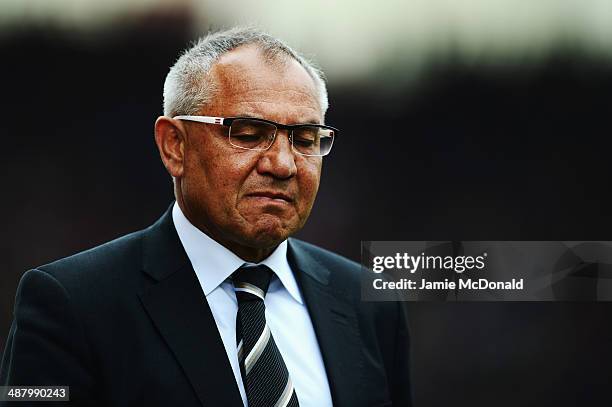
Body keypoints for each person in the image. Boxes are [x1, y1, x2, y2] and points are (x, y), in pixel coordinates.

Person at [0, 27, 411, 406]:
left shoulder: (370, 303)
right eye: (248, 134)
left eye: (305, 139)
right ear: (174, 146)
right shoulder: (71, 304)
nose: (283, 164)